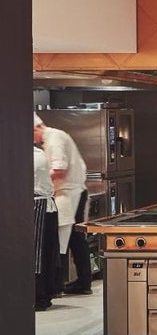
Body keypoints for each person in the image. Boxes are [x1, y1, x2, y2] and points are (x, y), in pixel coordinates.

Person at [34, 113, 91, 295]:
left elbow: (59, 170)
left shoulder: (55, 138)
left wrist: (39, 178)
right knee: (75, 239)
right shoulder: (53, 138)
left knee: (60, 240)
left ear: (36, 128)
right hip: (70, 193)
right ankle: (82, 282)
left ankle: (57, 286)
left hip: (68, 194)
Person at [33, 144, 60, 311]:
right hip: (45, 206)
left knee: (36, 255)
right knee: (44, 253)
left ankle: (39, 297)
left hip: (38, 206)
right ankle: (44, 295)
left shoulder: (32, 156)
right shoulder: (38, 153)